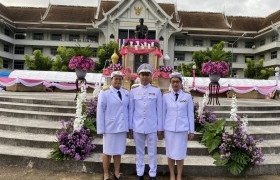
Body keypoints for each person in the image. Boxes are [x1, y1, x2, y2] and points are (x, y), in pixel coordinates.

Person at [129, 63, 163, 180]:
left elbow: (160, 111)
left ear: (150, 76)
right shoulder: (133, 91)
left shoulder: (156, 91)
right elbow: (131, 111)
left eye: (147, 75)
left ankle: (152, 174)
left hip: (152, 127)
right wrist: (130, 127)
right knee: (139, 152)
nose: (144, 77)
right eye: (142, 75)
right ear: (139, 76)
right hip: (137, 126)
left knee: (152, 152)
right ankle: (140, 173)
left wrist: (160, 128)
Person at [97, 71, 129, 180]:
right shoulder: (105, 93)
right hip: (109, 127)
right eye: (116, 79)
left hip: (121, 127)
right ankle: (106, 174)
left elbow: (127, 110)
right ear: (111, 80)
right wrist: (101, 128)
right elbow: (100, 111)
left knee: (118, 151)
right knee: (107, 152)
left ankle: (116, 173)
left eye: (120, 79)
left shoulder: (126, 93)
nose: (118, 81)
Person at [162, 72, 195, 180]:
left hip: (182, 129)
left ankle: (179, 175)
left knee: (180, 154)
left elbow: (190, 114)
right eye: (173, 82)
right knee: (170, 153)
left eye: (177, 82)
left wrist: (192, 131)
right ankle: (172, 174)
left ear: (181, 83)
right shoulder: (165, 96)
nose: (175, 84)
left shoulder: (187, 96)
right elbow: (163, 114)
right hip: (169, 129)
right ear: (170, 83)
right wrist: (161, 129)